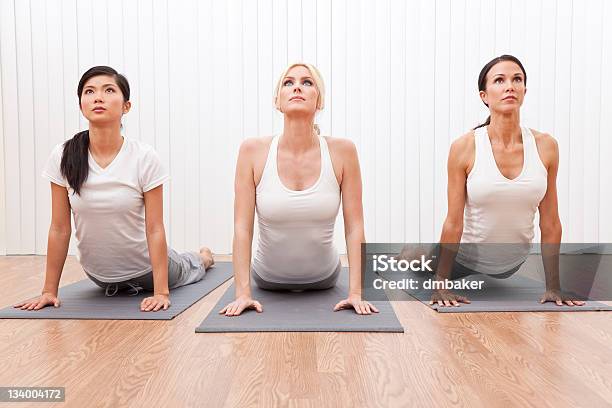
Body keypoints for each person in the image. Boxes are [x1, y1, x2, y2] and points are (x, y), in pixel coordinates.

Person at [14, 66, 214, 313]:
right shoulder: (63, 156)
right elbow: (59, 227)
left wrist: (161, 291)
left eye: (108, 90)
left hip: (147, 269)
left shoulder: (143, 157)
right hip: (100, 276)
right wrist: (48, 291)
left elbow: (154, 227)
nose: (98, 97)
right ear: (81, 106)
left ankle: (203, 257)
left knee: (187, 266)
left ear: (126, 106)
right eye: (89, 91)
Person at [220, 63, 378, 316]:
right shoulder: (252, 151)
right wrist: (242, 294)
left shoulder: (343, 151)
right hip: (266, 278)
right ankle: (204, 258)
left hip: (325, 278)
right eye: (288, 82)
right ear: (277, 101)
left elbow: (355, 226)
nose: (297, 87)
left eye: (307, 82)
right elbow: (242, 226)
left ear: (320, 101)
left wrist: (356, 293)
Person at [430, 55, 584, 307]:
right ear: (484, 95)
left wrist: (554, 287)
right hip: (464, 260)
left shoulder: (546, 146)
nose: (509, 86)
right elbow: (454, 221)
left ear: (524, 91)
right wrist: (441, 284)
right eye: (499, 80)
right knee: (413, 257)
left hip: (511, 264)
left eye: (517, 79)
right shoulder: (465, 146)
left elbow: (551, 221)